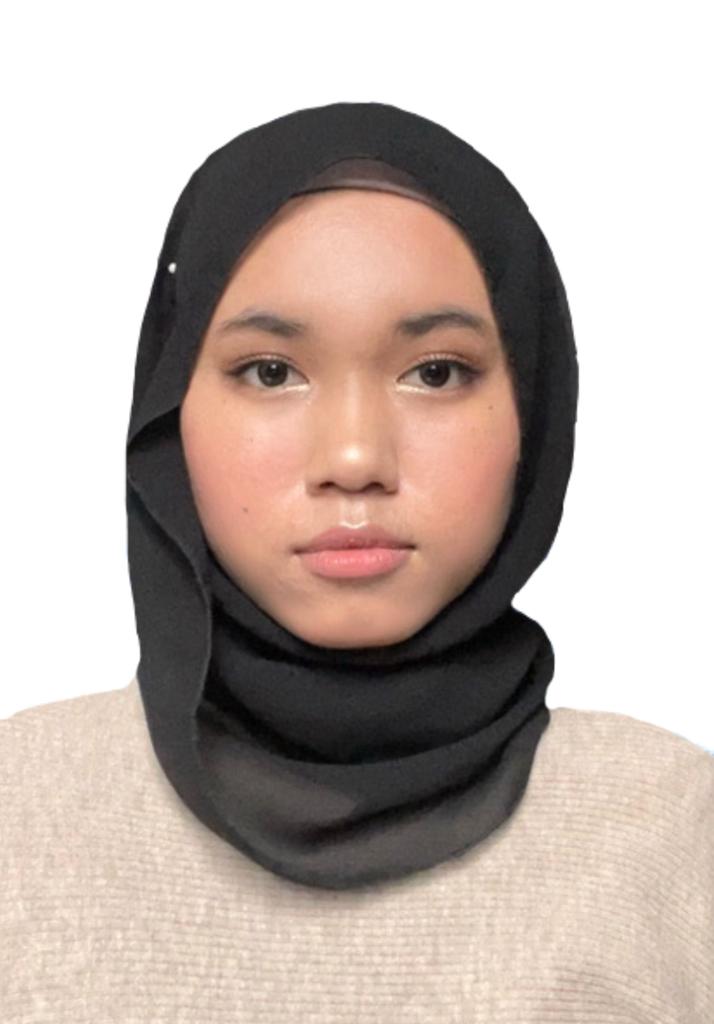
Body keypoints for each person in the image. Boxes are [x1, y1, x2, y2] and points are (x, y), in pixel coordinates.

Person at [2, 100, 712, 1022]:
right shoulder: (19, 812)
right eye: (270, 372)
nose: (353, 458)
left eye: (436, 372)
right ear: (171, 414)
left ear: (535, 408)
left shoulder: (671, 830)